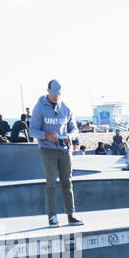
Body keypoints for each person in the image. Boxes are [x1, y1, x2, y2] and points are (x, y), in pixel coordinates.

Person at [31, 78, 83, 227]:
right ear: (48, 91)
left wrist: (70, 137)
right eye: (53, 93)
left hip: (65, 149)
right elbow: (32, 130)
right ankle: (52, 216)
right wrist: (46, 136)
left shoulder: (66, 108)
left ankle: (71, 215)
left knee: (68, 182)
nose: (55, 96)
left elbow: (74, 129)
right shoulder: (39, 108)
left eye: (58, 93)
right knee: (51, 183)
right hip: (47, 149)